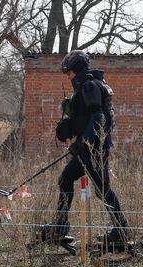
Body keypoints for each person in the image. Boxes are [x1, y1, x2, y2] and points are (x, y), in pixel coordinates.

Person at [43, 50, 129, 244]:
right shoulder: (86, 86)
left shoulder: (90, 86)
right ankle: (60, 226)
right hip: (85, 148)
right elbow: (86, 118)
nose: (68, 76)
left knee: (102, 189)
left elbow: (99, 118)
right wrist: (69, 127)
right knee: (65, 179)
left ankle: (121, 231)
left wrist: (83, 143)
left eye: (69, 72)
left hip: (94, 149)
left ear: (76, 70)